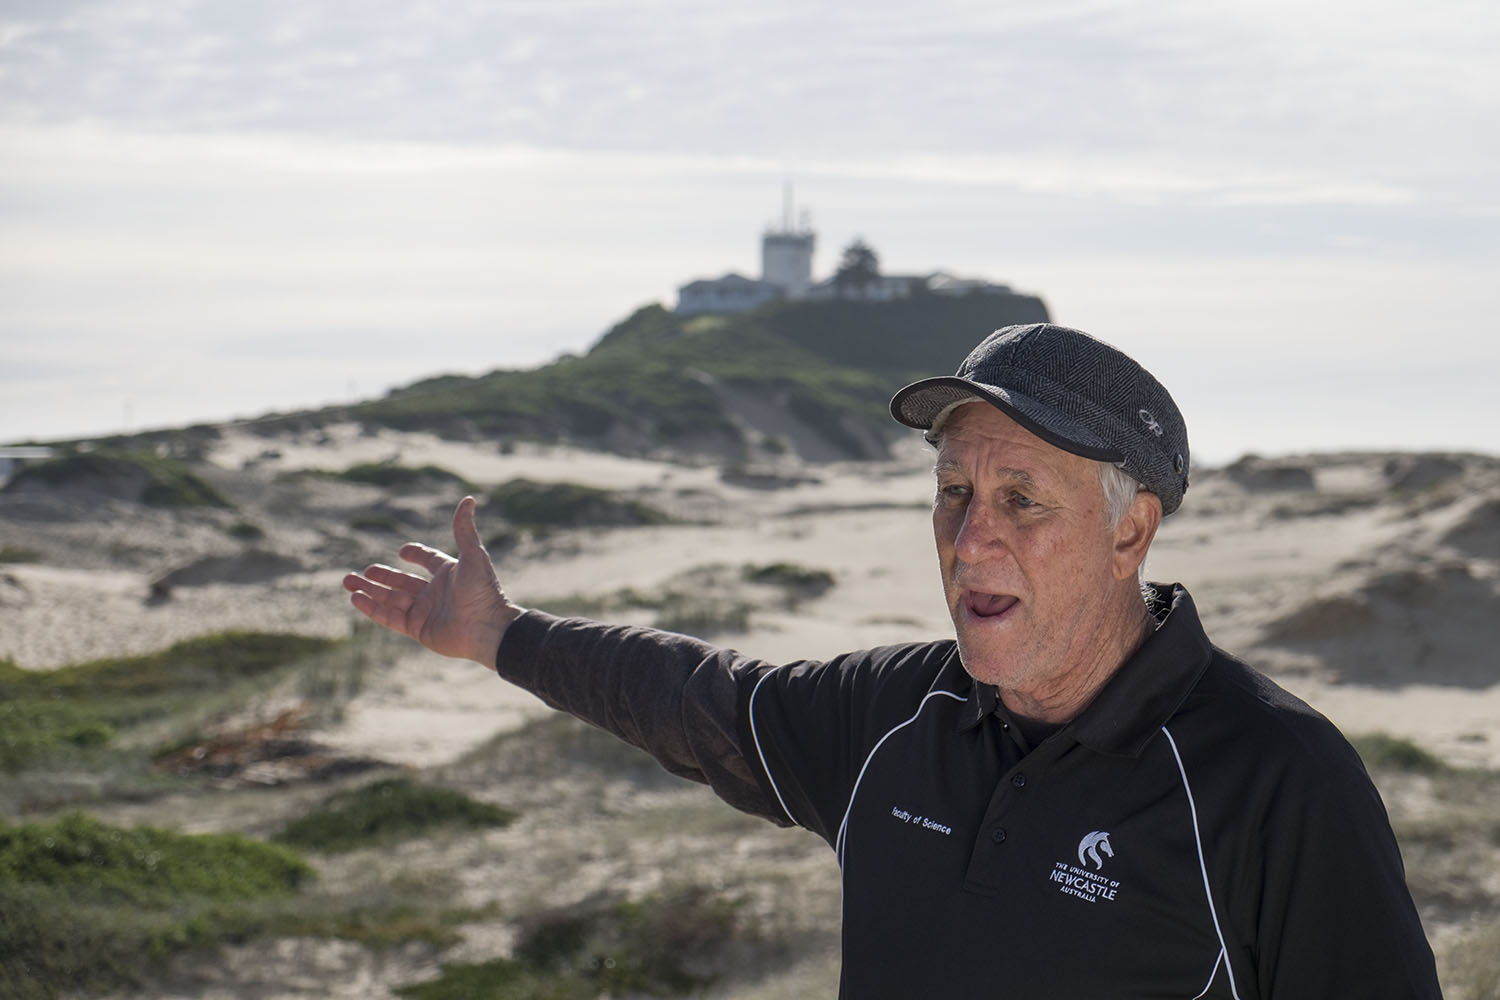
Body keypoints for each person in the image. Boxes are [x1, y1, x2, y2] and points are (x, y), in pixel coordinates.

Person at [343, 323, 1442, 998]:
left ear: (1130, 532)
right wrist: (499, 633)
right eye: (954, 493)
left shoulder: (1276, 778)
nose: (971, 539)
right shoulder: (896, 717)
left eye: (1022, 500)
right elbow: (700, 701)